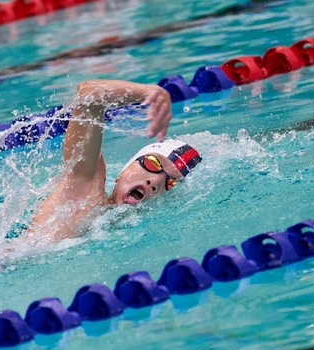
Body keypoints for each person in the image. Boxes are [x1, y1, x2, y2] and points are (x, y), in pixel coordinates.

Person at [31, 79, 202, 240]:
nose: (156, 181)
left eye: (170, 183)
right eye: (153, 163)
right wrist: (151, 92)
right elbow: (89, 95)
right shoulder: (84, 188)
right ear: (122, 172)